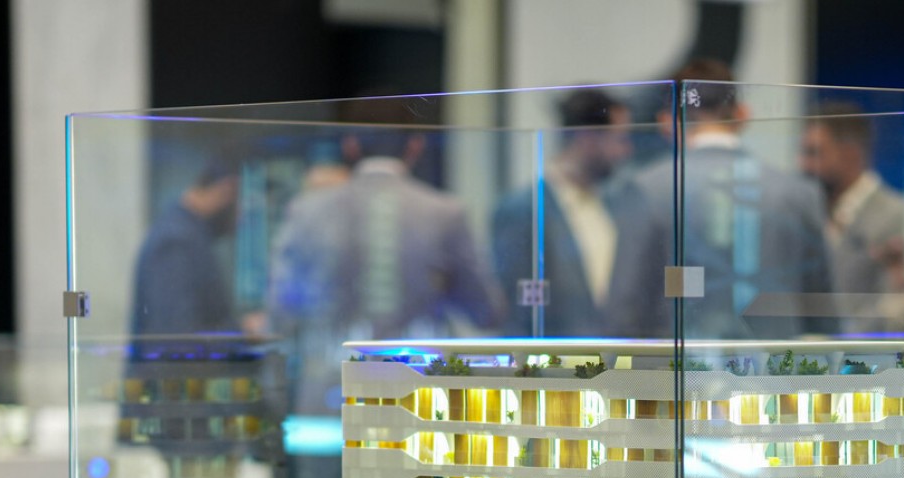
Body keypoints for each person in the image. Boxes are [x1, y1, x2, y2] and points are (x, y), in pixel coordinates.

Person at [265, 97, 501, 414]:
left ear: (350, 145)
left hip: (331, 397)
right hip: (419, 400)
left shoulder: (306, 210)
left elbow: (280, 310)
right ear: (415, 146)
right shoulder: (444, 213)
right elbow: (485, 312)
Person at [633, 60, 833, 339]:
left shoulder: (646, 189)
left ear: (667, 122)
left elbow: (628, 305)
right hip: (776, 363)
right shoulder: (799, 193)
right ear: (742, 115)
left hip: (680, 362)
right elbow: (822, 307)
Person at [491, 89, 656, 337]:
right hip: (555, 356)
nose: (626, 151)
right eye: (619, 139)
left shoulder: (618, 205)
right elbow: (519, 311)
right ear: (588, 138)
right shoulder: (523, 211)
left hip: (615, 355)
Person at [799, 100, 904, 329]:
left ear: (850, 154)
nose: (804, 164)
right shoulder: (811, 213)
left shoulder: (897, 216)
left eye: (815, 153)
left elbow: (898, 307)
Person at [130, 161, 239, 341]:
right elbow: (175, 338)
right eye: (239, 206)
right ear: (226, 190)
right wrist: (241, 334)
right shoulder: (176, 242)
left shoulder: (190, 236)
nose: (239, 218)